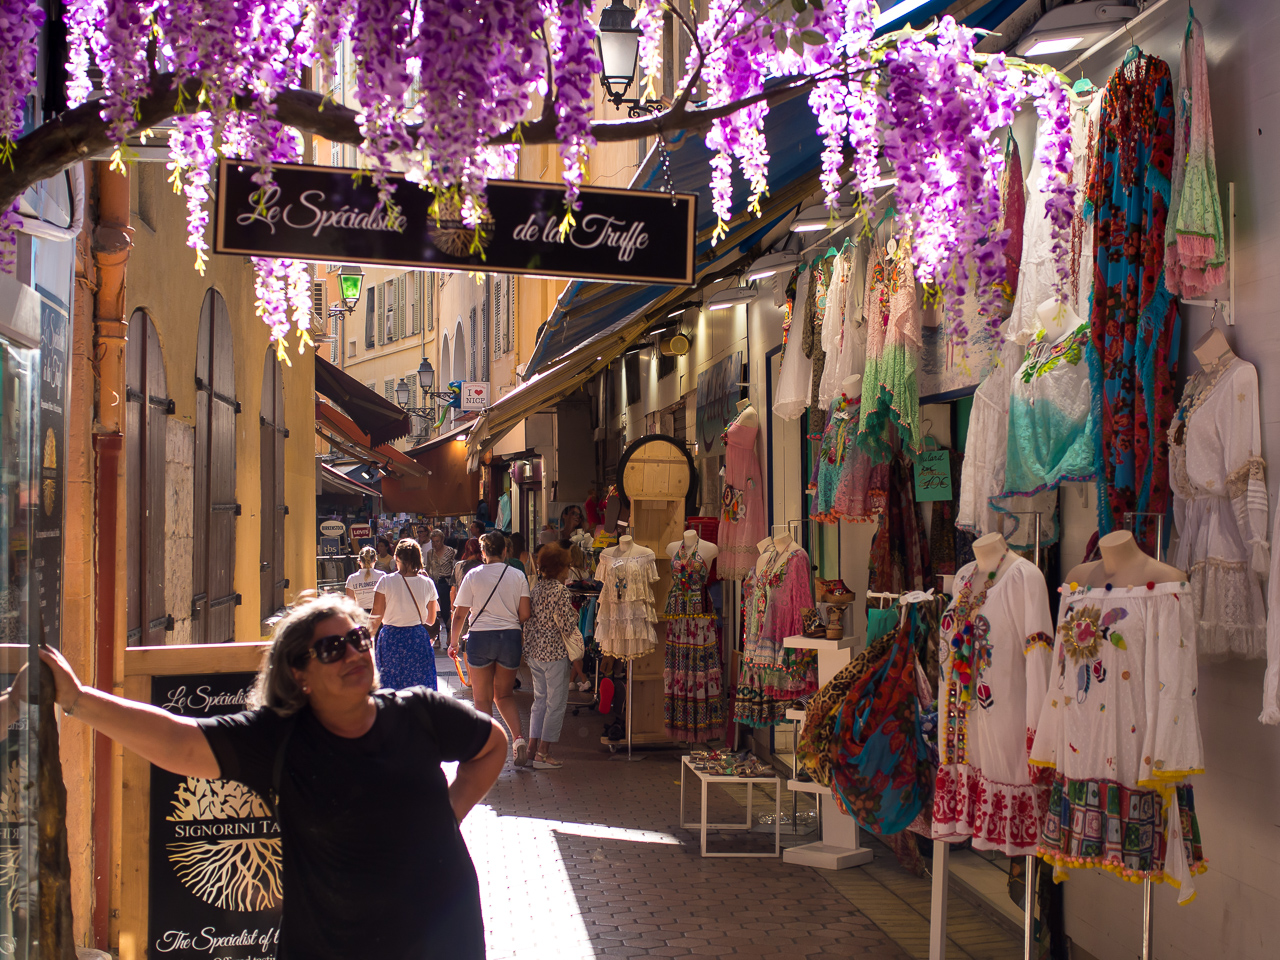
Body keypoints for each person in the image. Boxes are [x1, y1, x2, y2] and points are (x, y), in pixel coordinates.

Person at [36, 595, 506, 960]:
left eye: (359, 639)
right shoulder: (280, 739)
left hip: (442, 937)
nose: (354, 653)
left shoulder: (420, 712)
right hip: (334, 946)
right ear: (300, 674)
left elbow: (492, 745)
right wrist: (77, 699)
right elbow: (179, 742)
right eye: (331, 648)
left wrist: (447, 814)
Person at [450, 531, 532, 766]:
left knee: (482, 699)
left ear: (483, 552)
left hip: (480, 638)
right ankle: (518, 739)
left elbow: (460, 615)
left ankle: (486, 749)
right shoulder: (517, 575)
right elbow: (525, 614)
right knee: (504, 695)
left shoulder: (473, 575)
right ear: (505, 551)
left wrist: (453, 643)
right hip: (510, 638)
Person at [522, 544, 579, 769]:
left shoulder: (535, 589)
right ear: (560, 567)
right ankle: (543, 753)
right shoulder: (560, 591)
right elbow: (566, 625)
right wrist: (575, 613)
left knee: (540, 702)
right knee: (556, 703)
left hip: (535, 651)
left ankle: (531, 748)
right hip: (554, 652)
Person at [370, 540, 439, 690]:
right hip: (417, 637)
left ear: (397, 558)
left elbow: (376, 616)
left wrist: (366, 641)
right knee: (420, 684)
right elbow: (431, 620)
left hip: (390, 638)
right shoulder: (428, 583)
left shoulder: (386, 581)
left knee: (390, 685)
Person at [424, 528, 457, 649]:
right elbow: (428, 568)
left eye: (437, 541)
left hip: (446, 583)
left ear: (442, 540)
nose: (435, 544)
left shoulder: (450, 551)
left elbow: (454, 568)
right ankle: (436, 636)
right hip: (434, 583)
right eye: (433, 541)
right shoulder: (430, 553)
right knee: (434, 611)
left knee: (446, 610)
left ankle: (449, 635)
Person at [344, 546, 384, 612]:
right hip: (379, 613)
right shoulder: (382, 576)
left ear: (359, 561)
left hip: (361, 614)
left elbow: (350, 602)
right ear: (375, 560)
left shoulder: (352, 578)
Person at [450, 538, 483, 609]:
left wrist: (452, 609)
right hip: (478, 607)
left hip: (461, 606)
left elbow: (453, 590)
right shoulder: (483, 566)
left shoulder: (459, 565)